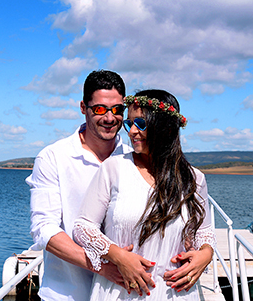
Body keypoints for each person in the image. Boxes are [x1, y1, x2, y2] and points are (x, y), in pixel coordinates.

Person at [72, 89, 216, 301]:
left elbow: (203, 231)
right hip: (121, 292)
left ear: (165, 127)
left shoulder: (194, 179)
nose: (132, 132)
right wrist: (118, 256)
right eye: (129, 124)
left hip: (175, 293)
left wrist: (205, 254)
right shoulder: (114, 169)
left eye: (141, 124)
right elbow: (83, 227)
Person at [27, 70, 146, 301]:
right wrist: (103, 266)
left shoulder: (136, 157)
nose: (110, 118)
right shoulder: (53, 157)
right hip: (67, 295)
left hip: (125, 295)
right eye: (100, 109)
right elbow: (44, 229)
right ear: (84, 108)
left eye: (117, 109)